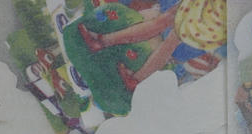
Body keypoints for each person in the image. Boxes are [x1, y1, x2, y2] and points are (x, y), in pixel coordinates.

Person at [77, 0, 225, 92]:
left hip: (210, 17)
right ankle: (103, 42)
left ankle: (103, 42)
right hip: (207, 13)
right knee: (166, 23)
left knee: (170, 31)